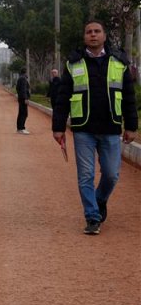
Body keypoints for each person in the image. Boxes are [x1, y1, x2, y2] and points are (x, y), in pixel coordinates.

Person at [52, 20, 138, 235]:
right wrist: (58, 127)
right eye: (89, 32)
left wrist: (131, 126)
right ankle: (92, 217)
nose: (93, 34)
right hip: (84, 129)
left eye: (97, 31)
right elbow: (62, 98)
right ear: (84, 37)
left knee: (111, 175)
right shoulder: (73, 64)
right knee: (86, 175)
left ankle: (99, 200)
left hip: (111, 128)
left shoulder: (119, 63)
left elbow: (129, 97)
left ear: (104, 36)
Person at [16, 68, 30, 134]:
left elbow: (17, 88)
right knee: (24, 113)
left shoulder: (20, 78)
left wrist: (20, 95)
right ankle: (21, 128)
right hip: (23, 98)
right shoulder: (23, 79)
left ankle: (19, 128)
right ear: (25, 72)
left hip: (21, 98)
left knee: (21, 113)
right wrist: (25, 98)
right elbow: (23, 89)